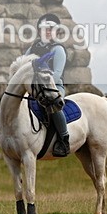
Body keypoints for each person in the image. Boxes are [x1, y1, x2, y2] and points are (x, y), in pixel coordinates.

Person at [25, 13, 70, 157]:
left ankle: (63, 139)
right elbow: (23, 67)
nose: (48, 32)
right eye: (45, 29)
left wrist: (41, 88)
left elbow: (56, 75)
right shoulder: (32, 49)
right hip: (34, 89)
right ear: (39, 31)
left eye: (51, 29)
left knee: (53, 106)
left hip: (54, 88)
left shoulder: (58, 49)